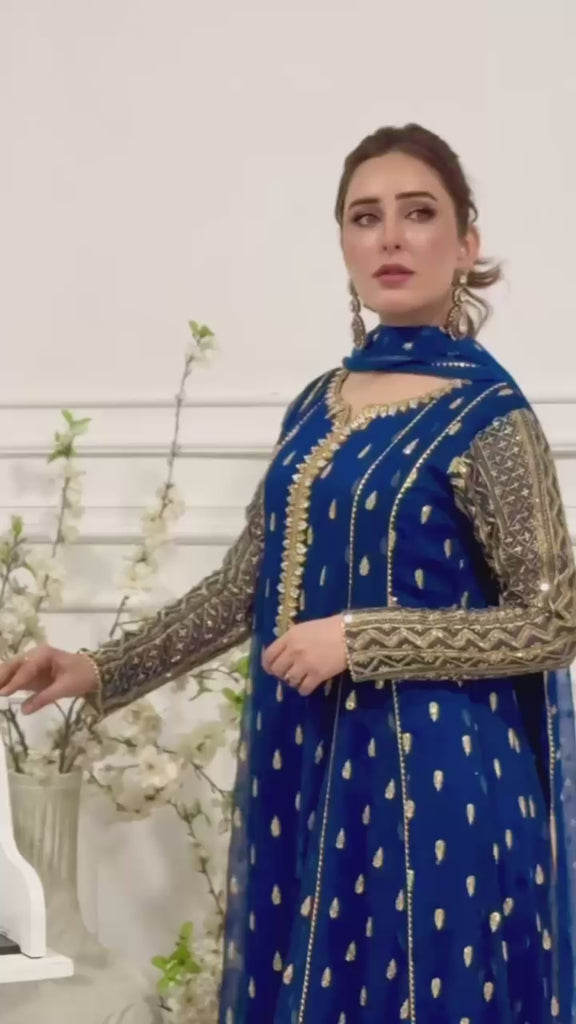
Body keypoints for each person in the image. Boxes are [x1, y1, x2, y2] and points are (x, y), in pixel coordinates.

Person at [1, 123, 575, 1024]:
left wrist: (360, 639)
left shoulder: (489, 415)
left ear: (466, 243)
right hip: (313, 768)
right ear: (343, 242)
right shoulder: (320, 402)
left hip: (438, 789)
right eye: (365, 217)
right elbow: (246, 585)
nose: (390, 237)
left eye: (419, 213)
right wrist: (98, 667)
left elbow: (552, 622)